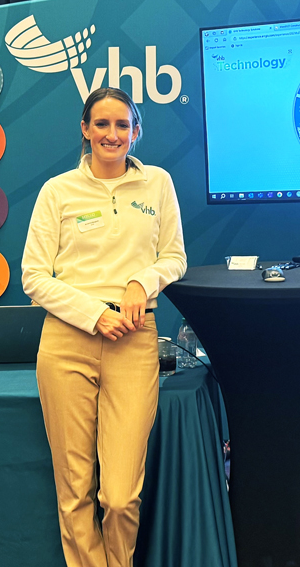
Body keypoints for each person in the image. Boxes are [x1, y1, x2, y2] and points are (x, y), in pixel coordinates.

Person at [20, 87, 187, 567]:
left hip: (134, 339)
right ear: (85, 129)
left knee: (119, 495)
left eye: (122, 125)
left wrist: (141, 281)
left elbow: (175, 256)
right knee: (74, 490)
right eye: (102, 124)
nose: (112, 134)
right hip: (67, 340)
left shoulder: (157, 183)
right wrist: (93, 314)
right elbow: (34, 276)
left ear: (136, 131)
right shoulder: (58, 191)